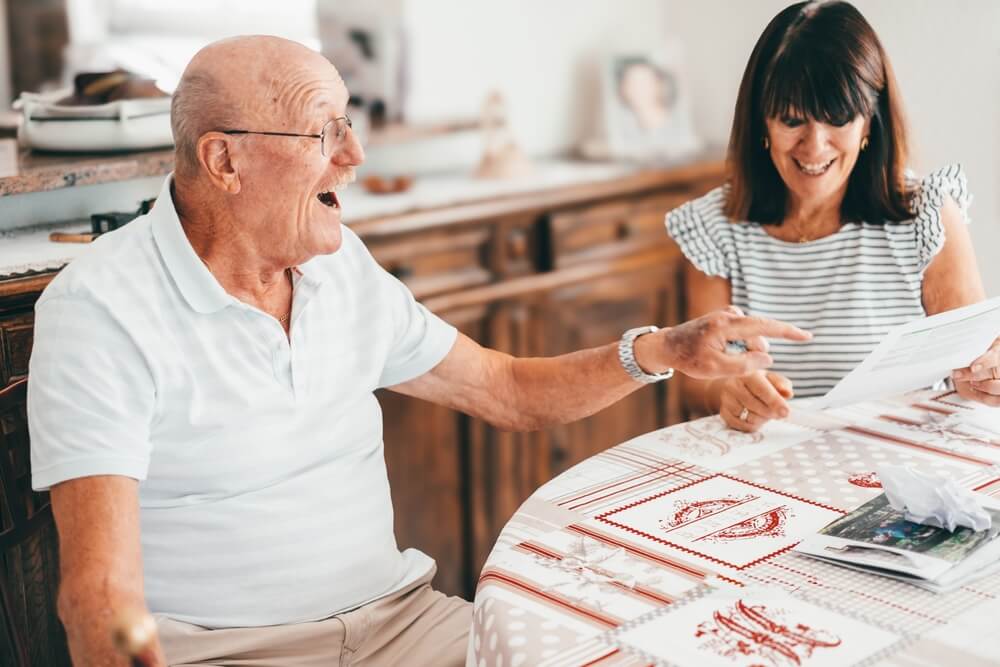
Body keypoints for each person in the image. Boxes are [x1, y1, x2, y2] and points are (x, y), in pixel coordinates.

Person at [27, 36, 811, 667]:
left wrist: (664, 347)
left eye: (349, 126)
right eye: (324, 131)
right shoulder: (102, 308)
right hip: (228, 653)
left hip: (404, 628)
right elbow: (103, 605)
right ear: (223, 160)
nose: (354, 155)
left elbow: (507, 390)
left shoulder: (341, 267)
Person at [665, 0, 1000, 433]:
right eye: (791, 120)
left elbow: (972, 364)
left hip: (899, 459)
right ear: (761, 122)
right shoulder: (713, 228)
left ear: (868, 122)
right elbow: (694, 381)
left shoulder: (926, 216)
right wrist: (727, 391)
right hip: (762, 464)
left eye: (838, 119)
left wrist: (987, 375)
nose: (814, 147)